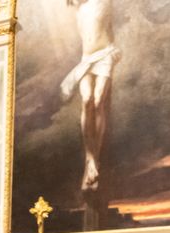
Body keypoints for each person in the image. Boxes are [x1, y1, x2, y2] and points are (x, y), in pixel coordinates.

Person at [61, 0, 118, 194]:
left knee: (98, 99)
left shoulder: (104, 2)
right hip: (87, 59)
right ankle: (91, 158)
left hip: (105, 54)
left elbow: (109, 28)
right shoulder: (79, 7)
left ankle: (95, 158)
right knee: (86, 100)